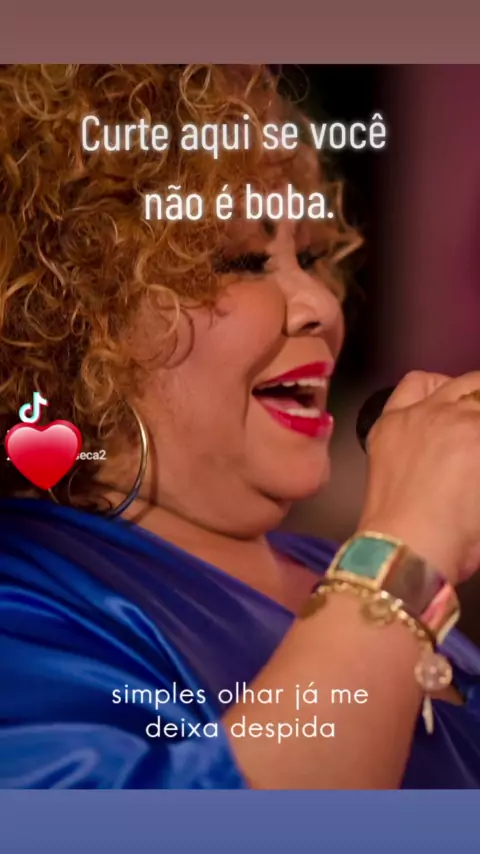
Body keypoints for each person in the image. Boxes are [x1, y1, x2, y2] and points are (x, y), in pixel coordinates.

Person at [1, 63, 480, 791]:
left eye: (310, 256)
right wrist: (405, 551)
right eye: (242, 262)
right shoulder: (28, 602)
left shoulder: (332, 566)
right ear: (74, 315)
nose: (320, 304)